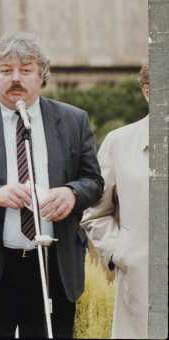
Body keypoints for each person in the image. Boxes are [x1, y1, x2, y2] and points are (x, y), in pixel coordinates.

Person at [0, 32, 104, 338]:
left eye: (25, 70)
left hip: (54, 267)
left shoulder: (73, 120)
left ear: (42, 77)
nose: (15, 78)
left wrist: (72, 193)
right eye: (6, 70)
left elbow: (94, 181)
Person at [81, 63, 149, 338]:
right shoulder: (119, 143)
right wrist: (122, 252)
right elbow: (94, 212)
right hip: (140, 282)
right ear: (148, 91)